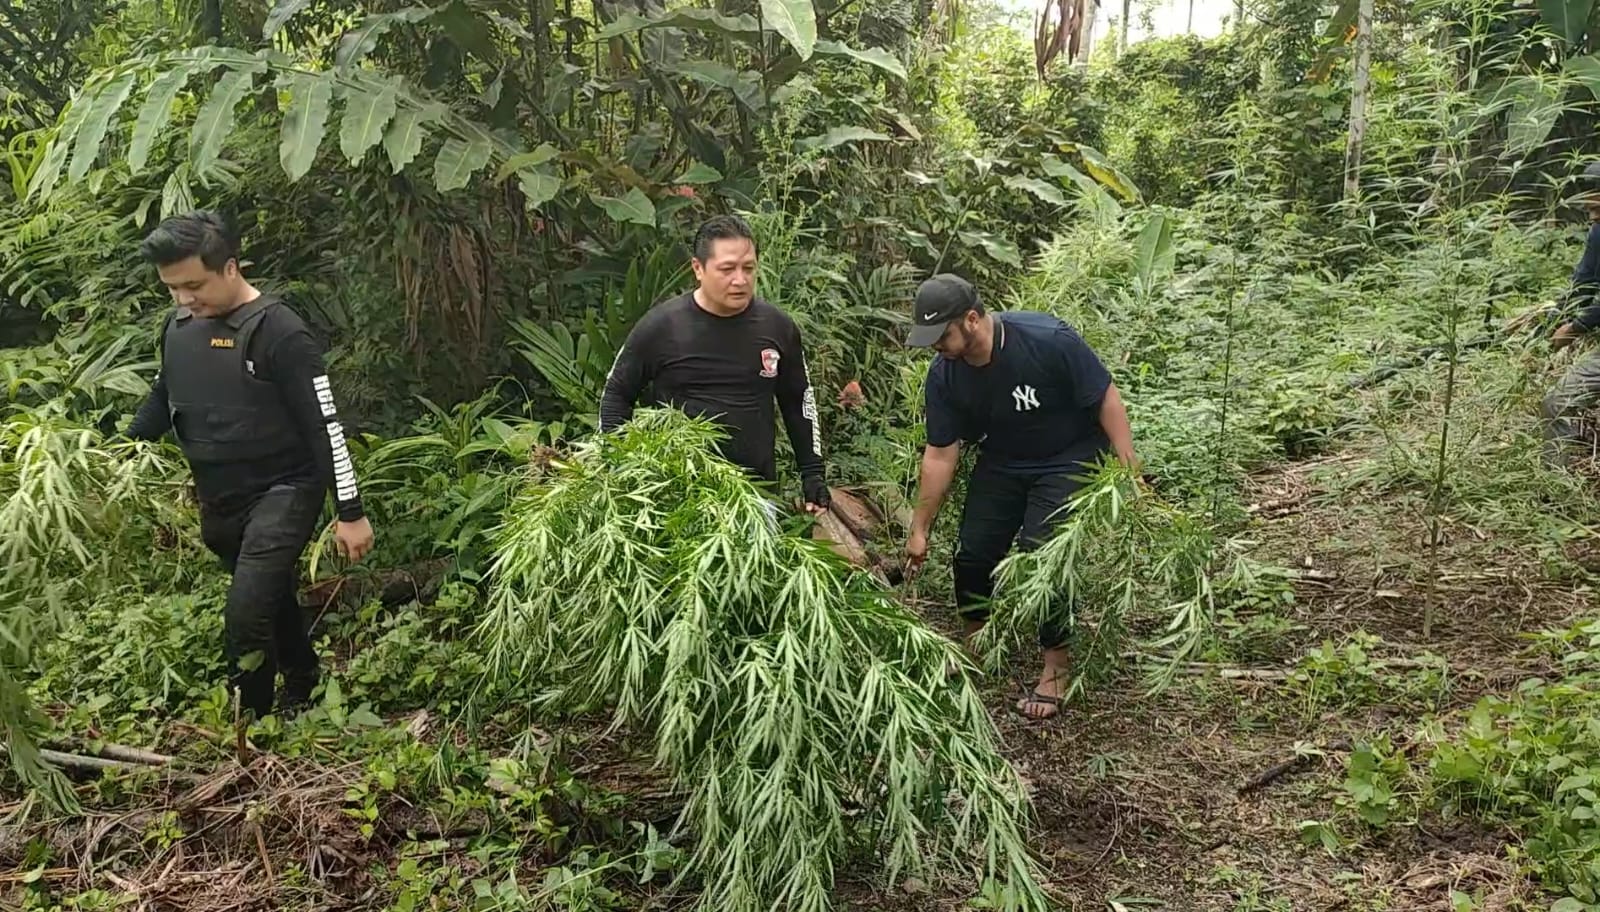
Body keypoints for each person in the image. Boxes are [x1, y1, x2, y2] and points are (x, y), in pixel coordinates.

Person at [126, 210, 374, 721]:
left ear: (231, 268)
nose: (183, 299)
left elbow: (325, 425)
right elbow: (165, 392)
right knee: (269, 596)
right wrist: (119, 451)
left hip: (284, 489)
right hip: (219, 497)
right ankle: (303, 678)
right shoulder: (179, 327)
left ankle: (252, 724)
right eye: (171, 289)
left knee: (245, 616)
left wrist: (350, 510)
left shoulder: (280, 333)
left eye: (193, 285)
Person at [902, 274, 1137, 720]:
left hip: (1069, 455)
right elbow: (939, 454)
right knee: (972, 553)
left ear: (971, 319)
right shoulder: (945, 375)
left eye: (942, 335)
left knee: (1041, 555)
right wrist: (920, 528)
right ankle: (978, 645)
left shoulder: (1047, 339)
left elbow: (1105, 395)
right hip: (1004, 459)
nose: (937, 347)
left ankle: (1055, 667)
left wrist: (1128, 468)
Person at [599, 214, 830, 514]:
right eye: (727, 269)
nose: (740, 279)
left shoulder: (778, 328)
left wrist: (812, 473)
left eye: (748, 268)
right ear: (698, 268)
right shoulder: (661, 327)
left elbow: (798, 401)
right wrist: (618, 469)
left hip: (753, 497)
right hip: (675, 498)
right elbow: (616, 394)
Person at [1542, 161, 1600, 466]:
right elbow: (1584, 284)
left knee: (1559, 402)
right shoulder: (1598, 231)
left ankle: (1554, 489)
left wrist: (1575, 327)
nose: (1591, 208)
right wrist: (1548, 317)